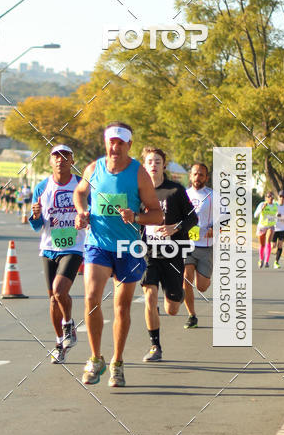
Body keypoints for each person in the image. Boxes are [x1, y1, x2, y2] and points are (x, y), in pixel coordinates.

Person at [73, 122, 162, 387]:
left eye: (120, 143)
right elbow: (80, 193)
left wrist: (135, 216)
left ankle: (117, 362)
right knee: (91, 298)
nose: (115, 147)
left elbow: (157, 214)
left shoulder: (139, 174)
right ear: (106, 143)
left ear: (129, 145)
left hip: (127, 247)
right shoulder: (94, 169)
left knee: (121, 307)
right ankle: (95, 358)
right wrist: (81, 212)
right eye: (111, 142)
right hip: (98, 244)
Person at [140, 147, 198, 361]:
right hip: (149, 253)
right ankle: (155, 346)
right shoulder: (138, 190)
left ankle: (177, 294)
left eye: (157, 161)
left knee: (172, 309)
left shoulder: (175, 190)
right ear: (144, 165)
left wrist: (176, 227)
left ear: (164, 165)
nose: (153, 165)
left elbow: (193, 218)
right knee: (149, 296)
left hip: (173, 253)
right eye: (149, 161)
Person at [29, 146, 85, 363]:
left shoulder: (81, 185)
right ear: (50, 162)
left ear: (72, 161)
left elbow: (92, 212)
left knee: (60, 290)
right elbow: (36, 225)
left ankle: (68, 324)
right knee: (53, 299)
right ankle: (59, 343)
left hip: (73, 247)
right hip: (49, 247)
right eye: (56, 157)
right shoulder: (42, 187)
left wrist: (85, 217)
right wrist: (35, 216)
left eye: (65, 156)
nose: (60, 160)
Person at [184, 162, 213, 329]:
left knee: (201, 286)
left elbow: (226, 216)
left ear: (206, 177)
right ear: (190, 176)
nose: (197, 177)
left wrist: (215, 228)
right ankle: (191, 315)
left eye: (201, 174)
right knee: (186, 279)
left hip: (205, 246)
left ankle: (205, 278)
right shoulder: (183, 195)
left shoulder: (213, 196)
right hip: (186, 244)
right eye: (195, 174)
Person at [254, 190, 278, 268]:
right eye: (268, 196)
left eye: (272, 196)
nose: (270, 198)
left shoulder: (275, 205)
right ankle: (261, 259)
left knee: (268, 241)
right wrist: (262, 209)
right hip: (262, 226)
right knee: (262, 244)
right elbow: (255, 215)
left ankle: (266, 261)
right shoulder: (262, 204)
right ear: (265, 198)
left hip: (271, 226)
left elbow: (279, 214)